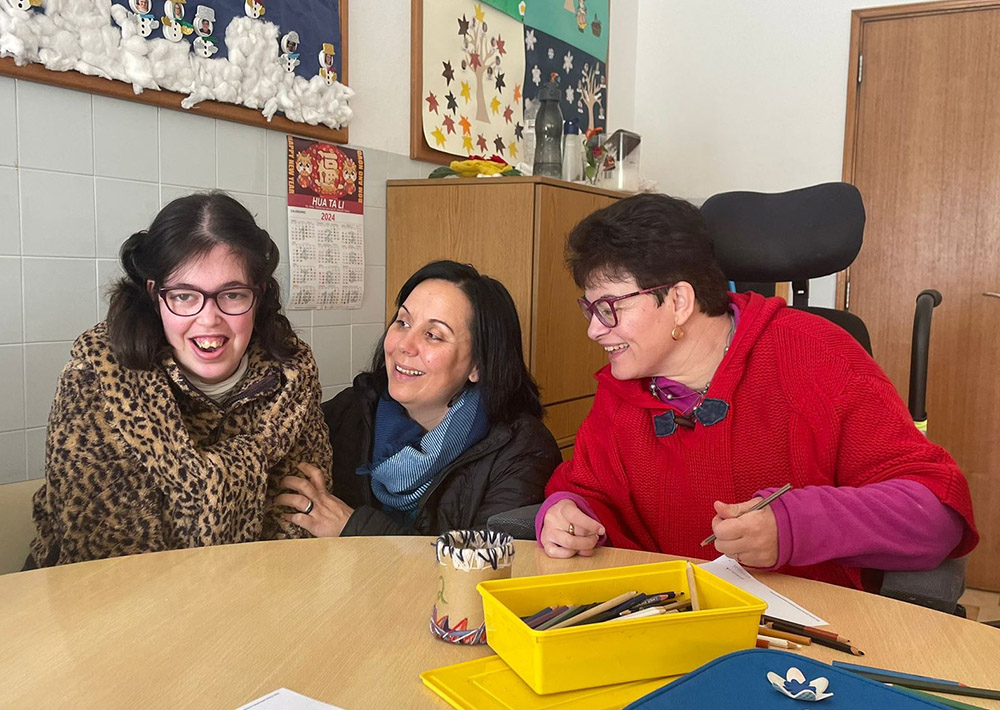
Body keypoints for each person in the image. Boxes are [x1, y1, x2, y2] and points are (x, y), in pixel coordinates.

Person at [536, 193, 978, 590]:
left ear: (679, 301)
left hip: (805, 646)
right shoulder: (621, 389)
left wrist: (794, 528)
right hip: (661, 628)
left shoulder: (818, 356)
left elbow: (935, 515)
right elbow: (587, 491)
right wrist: (567, 512)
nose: (595, 330)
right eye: (590, 309)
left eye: (610, 307)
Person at [27, 192, 332, 568]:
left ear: (260, 294)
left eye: (233, 295)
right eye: (185, 296)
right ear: (155, 295)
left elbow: (300, 524)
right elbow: (107, 553)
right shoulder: (98, 376)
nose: (208, 320)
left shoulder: (292, 376)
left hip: (259, 600)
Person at [277, 260, 562, 537]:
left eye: (433, 335)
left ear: (479, 365)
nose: (404, 345)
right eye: (403, 322)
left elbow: (487, 564)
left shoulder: (522, 451)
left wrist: (353, 527)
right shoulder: (351, 410)